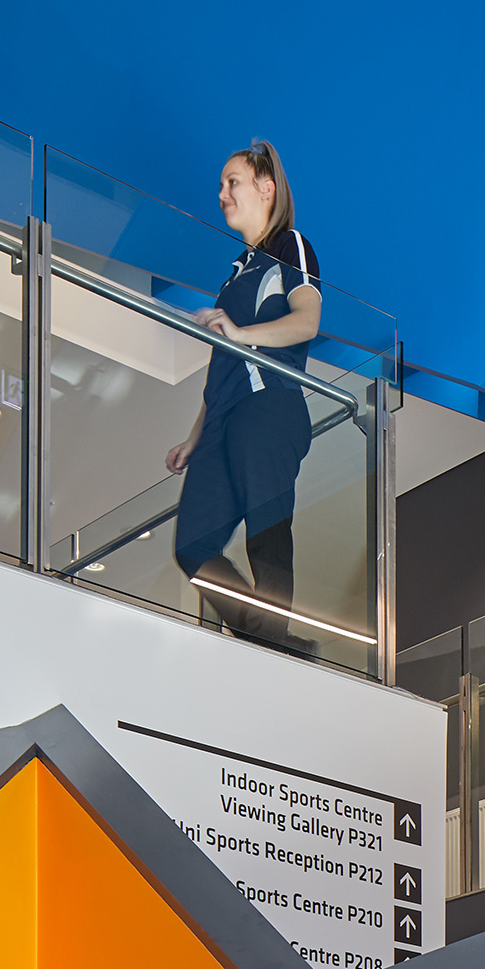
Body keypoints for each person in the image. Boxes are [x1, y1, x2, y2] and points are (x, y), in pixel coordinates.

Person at [165, 139, 321, 651]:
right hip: (223, 417)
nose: (222, 193)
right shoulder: (236, 270)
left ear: (266, 188)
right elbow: (224, 356)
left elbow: (307, 321)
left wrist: (240, 333)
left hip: (268, 406)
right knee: (192, 544)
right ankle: (267, 639)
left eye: (232, 182)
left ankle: (272, 646)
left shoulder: (288, 246)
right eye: (221, 185)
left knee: (267, 534)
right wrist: (195, 435)